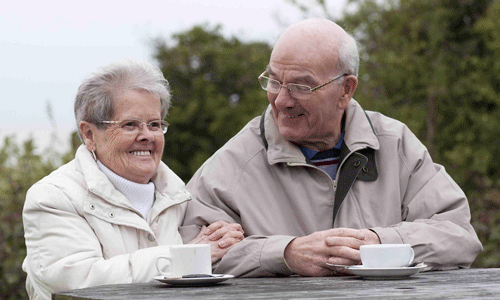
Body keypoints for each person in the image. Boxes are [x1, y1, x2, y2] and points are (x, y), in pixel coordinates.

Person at [183, 18, 483, 277]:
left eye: (301, 86)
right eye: (274, 81)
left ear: (346, 89)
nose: (282, 100)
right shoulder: (230, 166)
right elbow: (188, 257)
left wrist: (379, 244)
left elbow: (458, 236)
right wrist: (286, 254)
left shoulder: (396, 144)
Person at [22, 60, 243, 300]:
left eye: (155, 124)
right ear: (89, 134)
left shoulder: (181, 197)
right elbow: (79, 284)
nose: (147, 136)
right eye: (130, 125)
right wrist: (189, 257)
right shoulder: (53, 197)